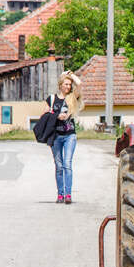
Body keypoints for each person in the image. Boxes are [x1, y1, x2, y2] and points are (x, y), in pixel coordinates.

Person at [45, 71, 83, 204]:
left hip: (69, 136)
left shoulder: (72, 97)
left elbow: (80, 84)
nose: (68, 86)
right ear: (60, 85)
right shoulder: (52, 99)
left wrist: (71, 75)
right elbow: (45, 116)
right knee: (59, 166)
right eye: (66, 84)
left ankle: (68, 195)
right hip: (56, 136)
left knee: (67, 164)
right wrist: (56, 116)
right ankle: (60, 194)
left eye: (69, 84)